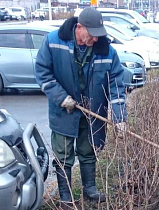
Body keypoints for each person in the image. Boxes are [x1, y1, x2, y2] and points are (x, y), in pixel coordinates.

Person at [35, 7, 127, 208]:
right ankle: (65, 198)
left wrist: (120, 119)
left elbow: (117, 87)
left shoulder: (107, 51)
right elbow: (42, 73)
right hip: (64, 111)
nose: (95, 40)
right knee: (63, 155)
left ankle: (90, 190)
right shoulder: (53, 42)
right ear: (79, 27)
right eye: (92, 35)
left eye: (98, 35)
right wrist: (61, 98)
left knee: (88, 151)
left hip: (92, 113)